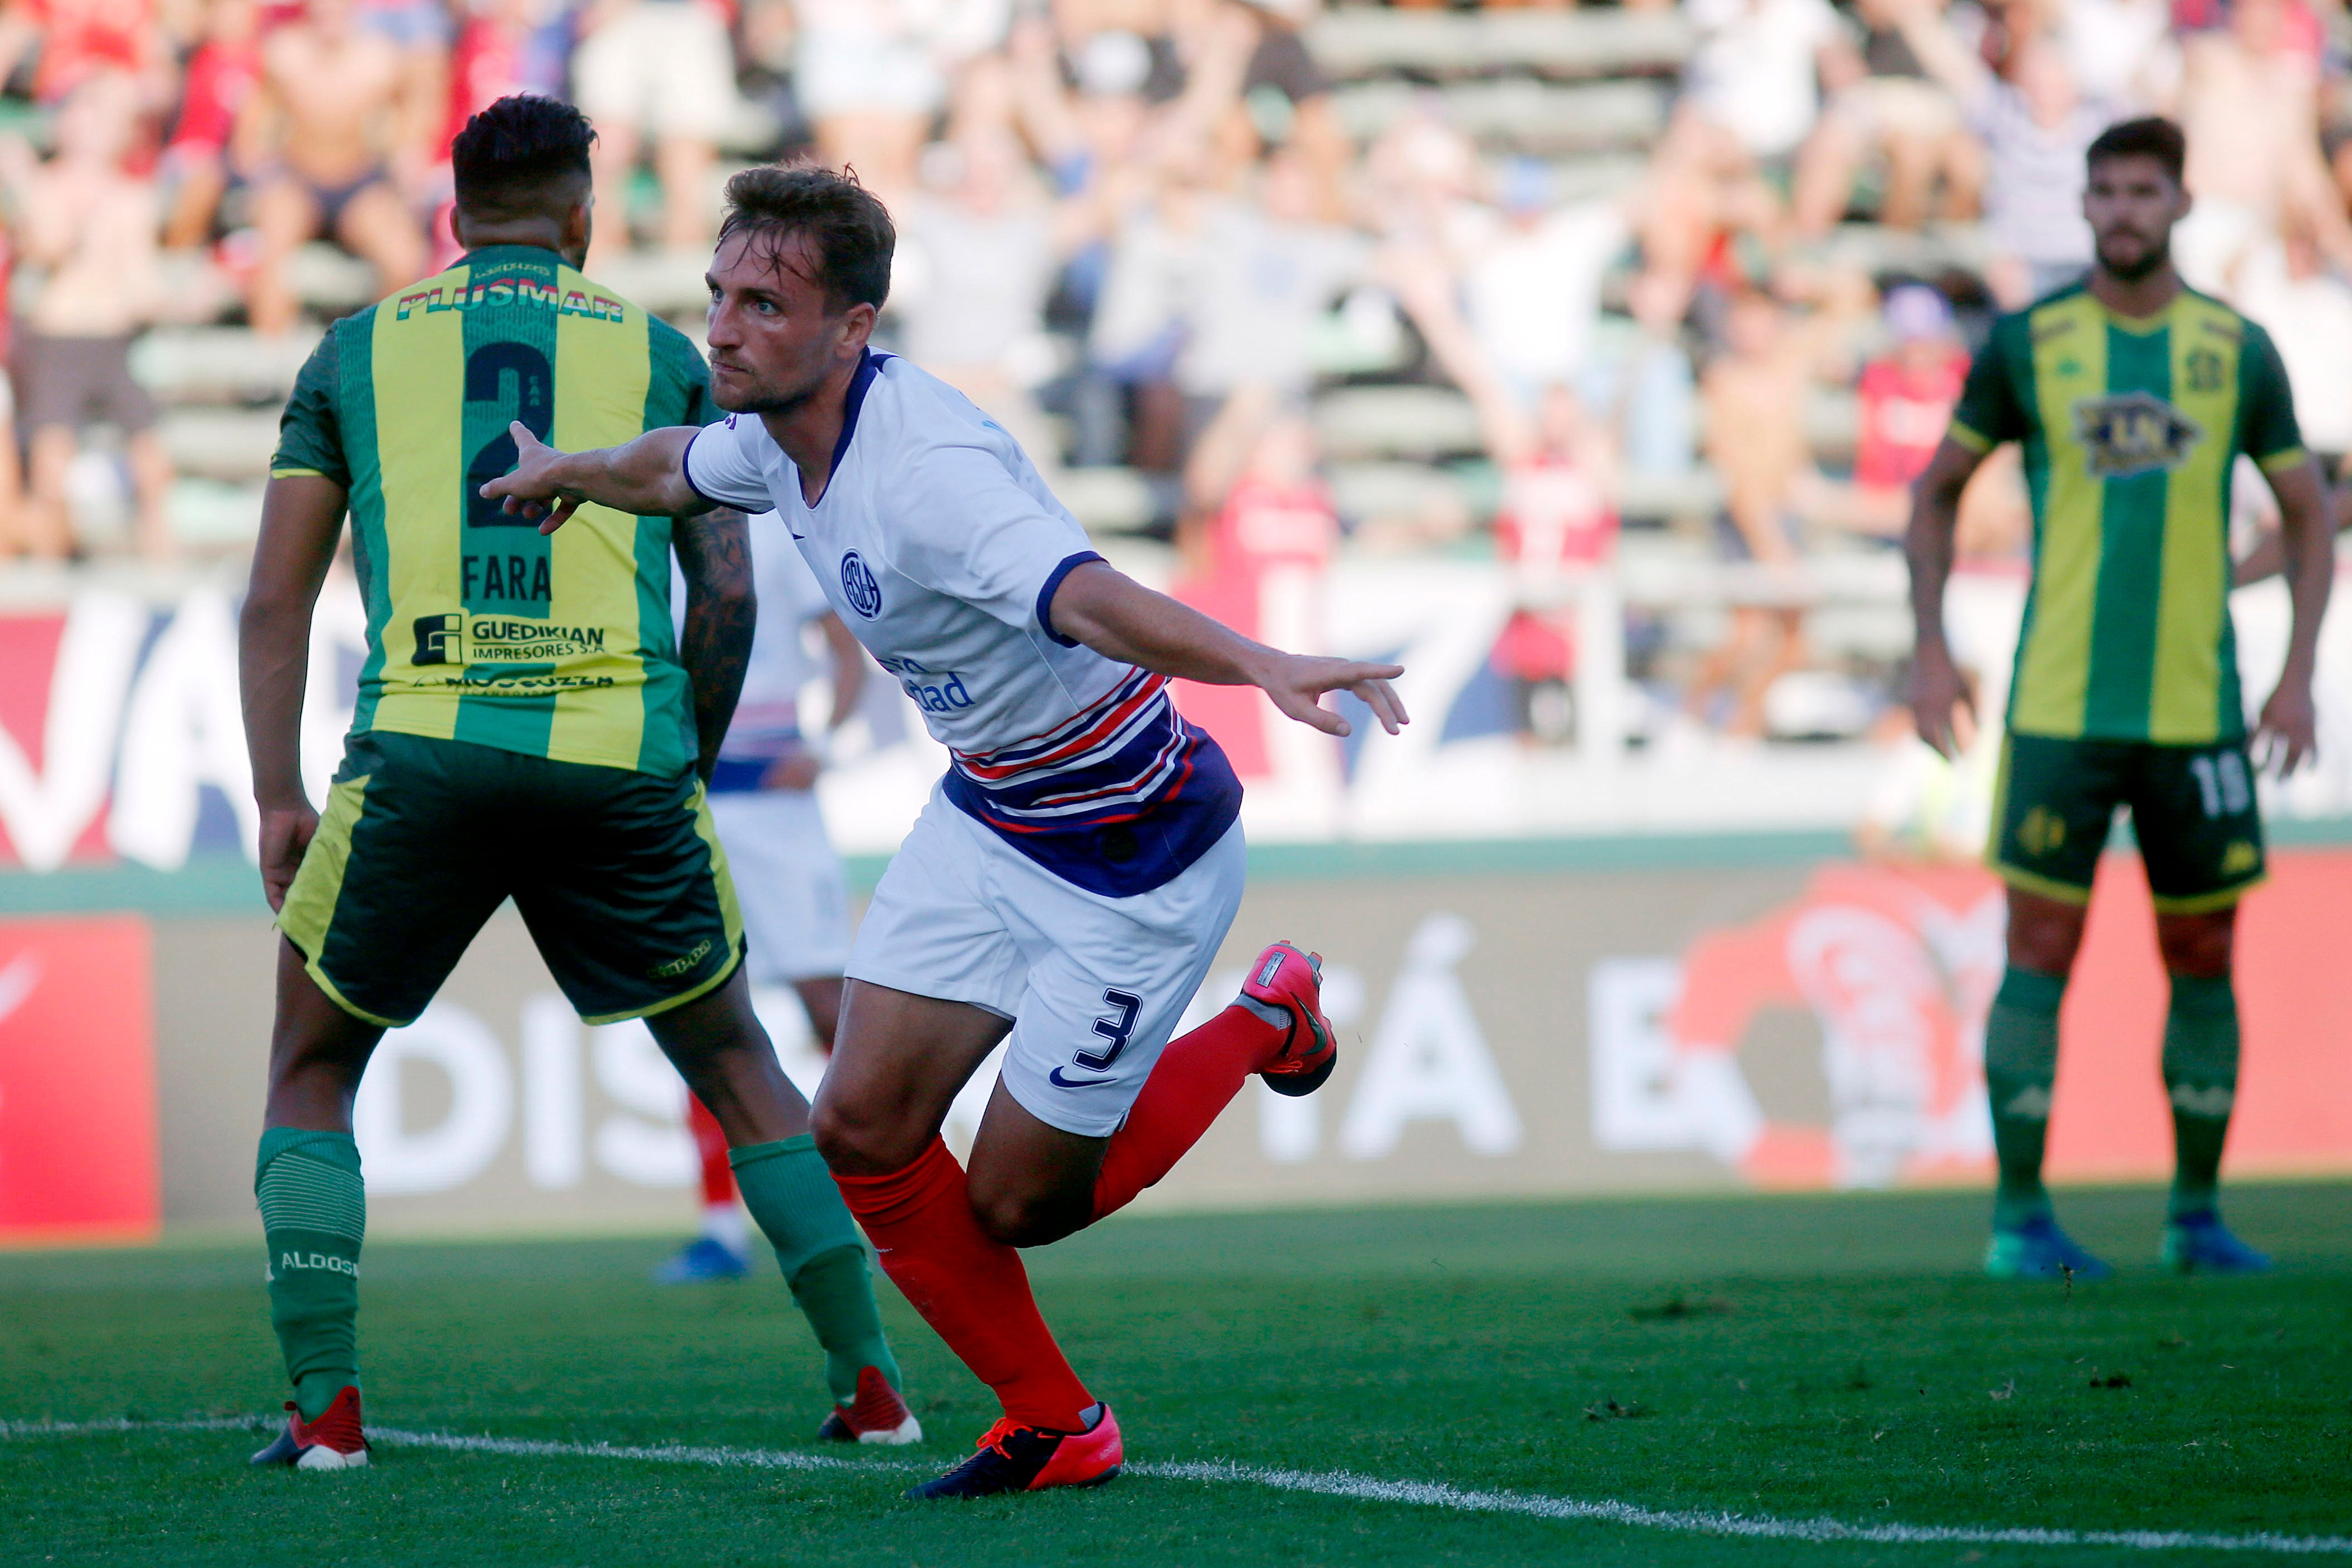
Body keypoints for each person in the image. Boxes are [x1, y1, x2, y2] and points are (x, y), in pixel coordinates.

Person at [481, 163, 1408, 1499]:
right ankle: (1055, 1418)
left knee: (1022, 1204)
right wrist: (570, 471)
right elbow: (678, 468)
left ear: (852, 329)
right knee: (857, 1126)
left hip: (1130, 848)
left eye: (763, 305)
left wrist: (1259, 660)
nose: (724, 329)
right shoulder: (781, 432)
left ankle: (1269, 1017)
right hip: (990, 816)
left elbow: (1083, 597)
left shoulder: (929, 472)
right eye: (718, 297)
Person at [236, 98, 917, 1472]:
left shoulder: (353, 352)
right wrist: (688, 762)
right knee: (740, 1066)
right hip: (617, 754)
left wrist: (277, 796)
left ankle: (325, 1417)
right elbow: (718, 587)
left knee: (313, 1067)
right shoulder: (662, 352)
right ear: (582, 219)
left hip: (420, 744)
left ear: (453, 216)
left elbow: (273, 599)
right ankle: (875, 1389)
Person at [1904, 117, 2334, 1281]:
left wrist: (2296, 676)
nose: (2123, 211)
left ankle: (2194, 1218)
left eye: (2143, 191)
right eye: (2105, 192)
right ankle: (2017, 1222)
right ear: (2084, 208)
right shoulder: (2029, 343)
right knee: (2036, 946)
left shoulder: (2236, 350)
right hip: (2056, 707)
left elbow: (2308, 510)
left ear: (2179, 205)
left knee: (2202, 950)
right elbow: (1935, 490)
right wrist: (1928, 653)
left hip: (2196, 708)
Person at [658, 509, 867, 1285]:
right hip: (683, 796)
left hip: (776, 801)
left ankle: (907, 1194)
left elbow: (848, 652)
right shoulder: (636, 518)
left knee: (828, 1007)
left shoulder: (779, 524)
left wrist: (829, 747)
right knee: (701, 1007)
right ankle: (720, 1228)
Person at [0, 70, 173, 560]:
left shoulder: (132, 197)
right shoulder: (44, 186)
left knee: (153, 465)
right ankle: (50, 567)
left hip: (113, 339)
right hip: (58, 339)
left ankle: (163, 564)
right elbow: (47, 247)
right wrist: (29, 182)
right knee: (51, 469)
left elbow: (142, 281)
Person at [237, 0, 428, 334]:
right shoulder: (284, 52)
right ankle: (272, 362)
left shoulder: (379, 58)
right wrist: (253, 156)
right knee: (270, 255)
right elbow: (256, 109)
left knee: (404, 259)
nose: (330, 15)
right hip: (298, 178)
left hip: (357, 181)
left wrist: (405, 149)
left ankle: (376, 356)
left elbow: (415, 103)